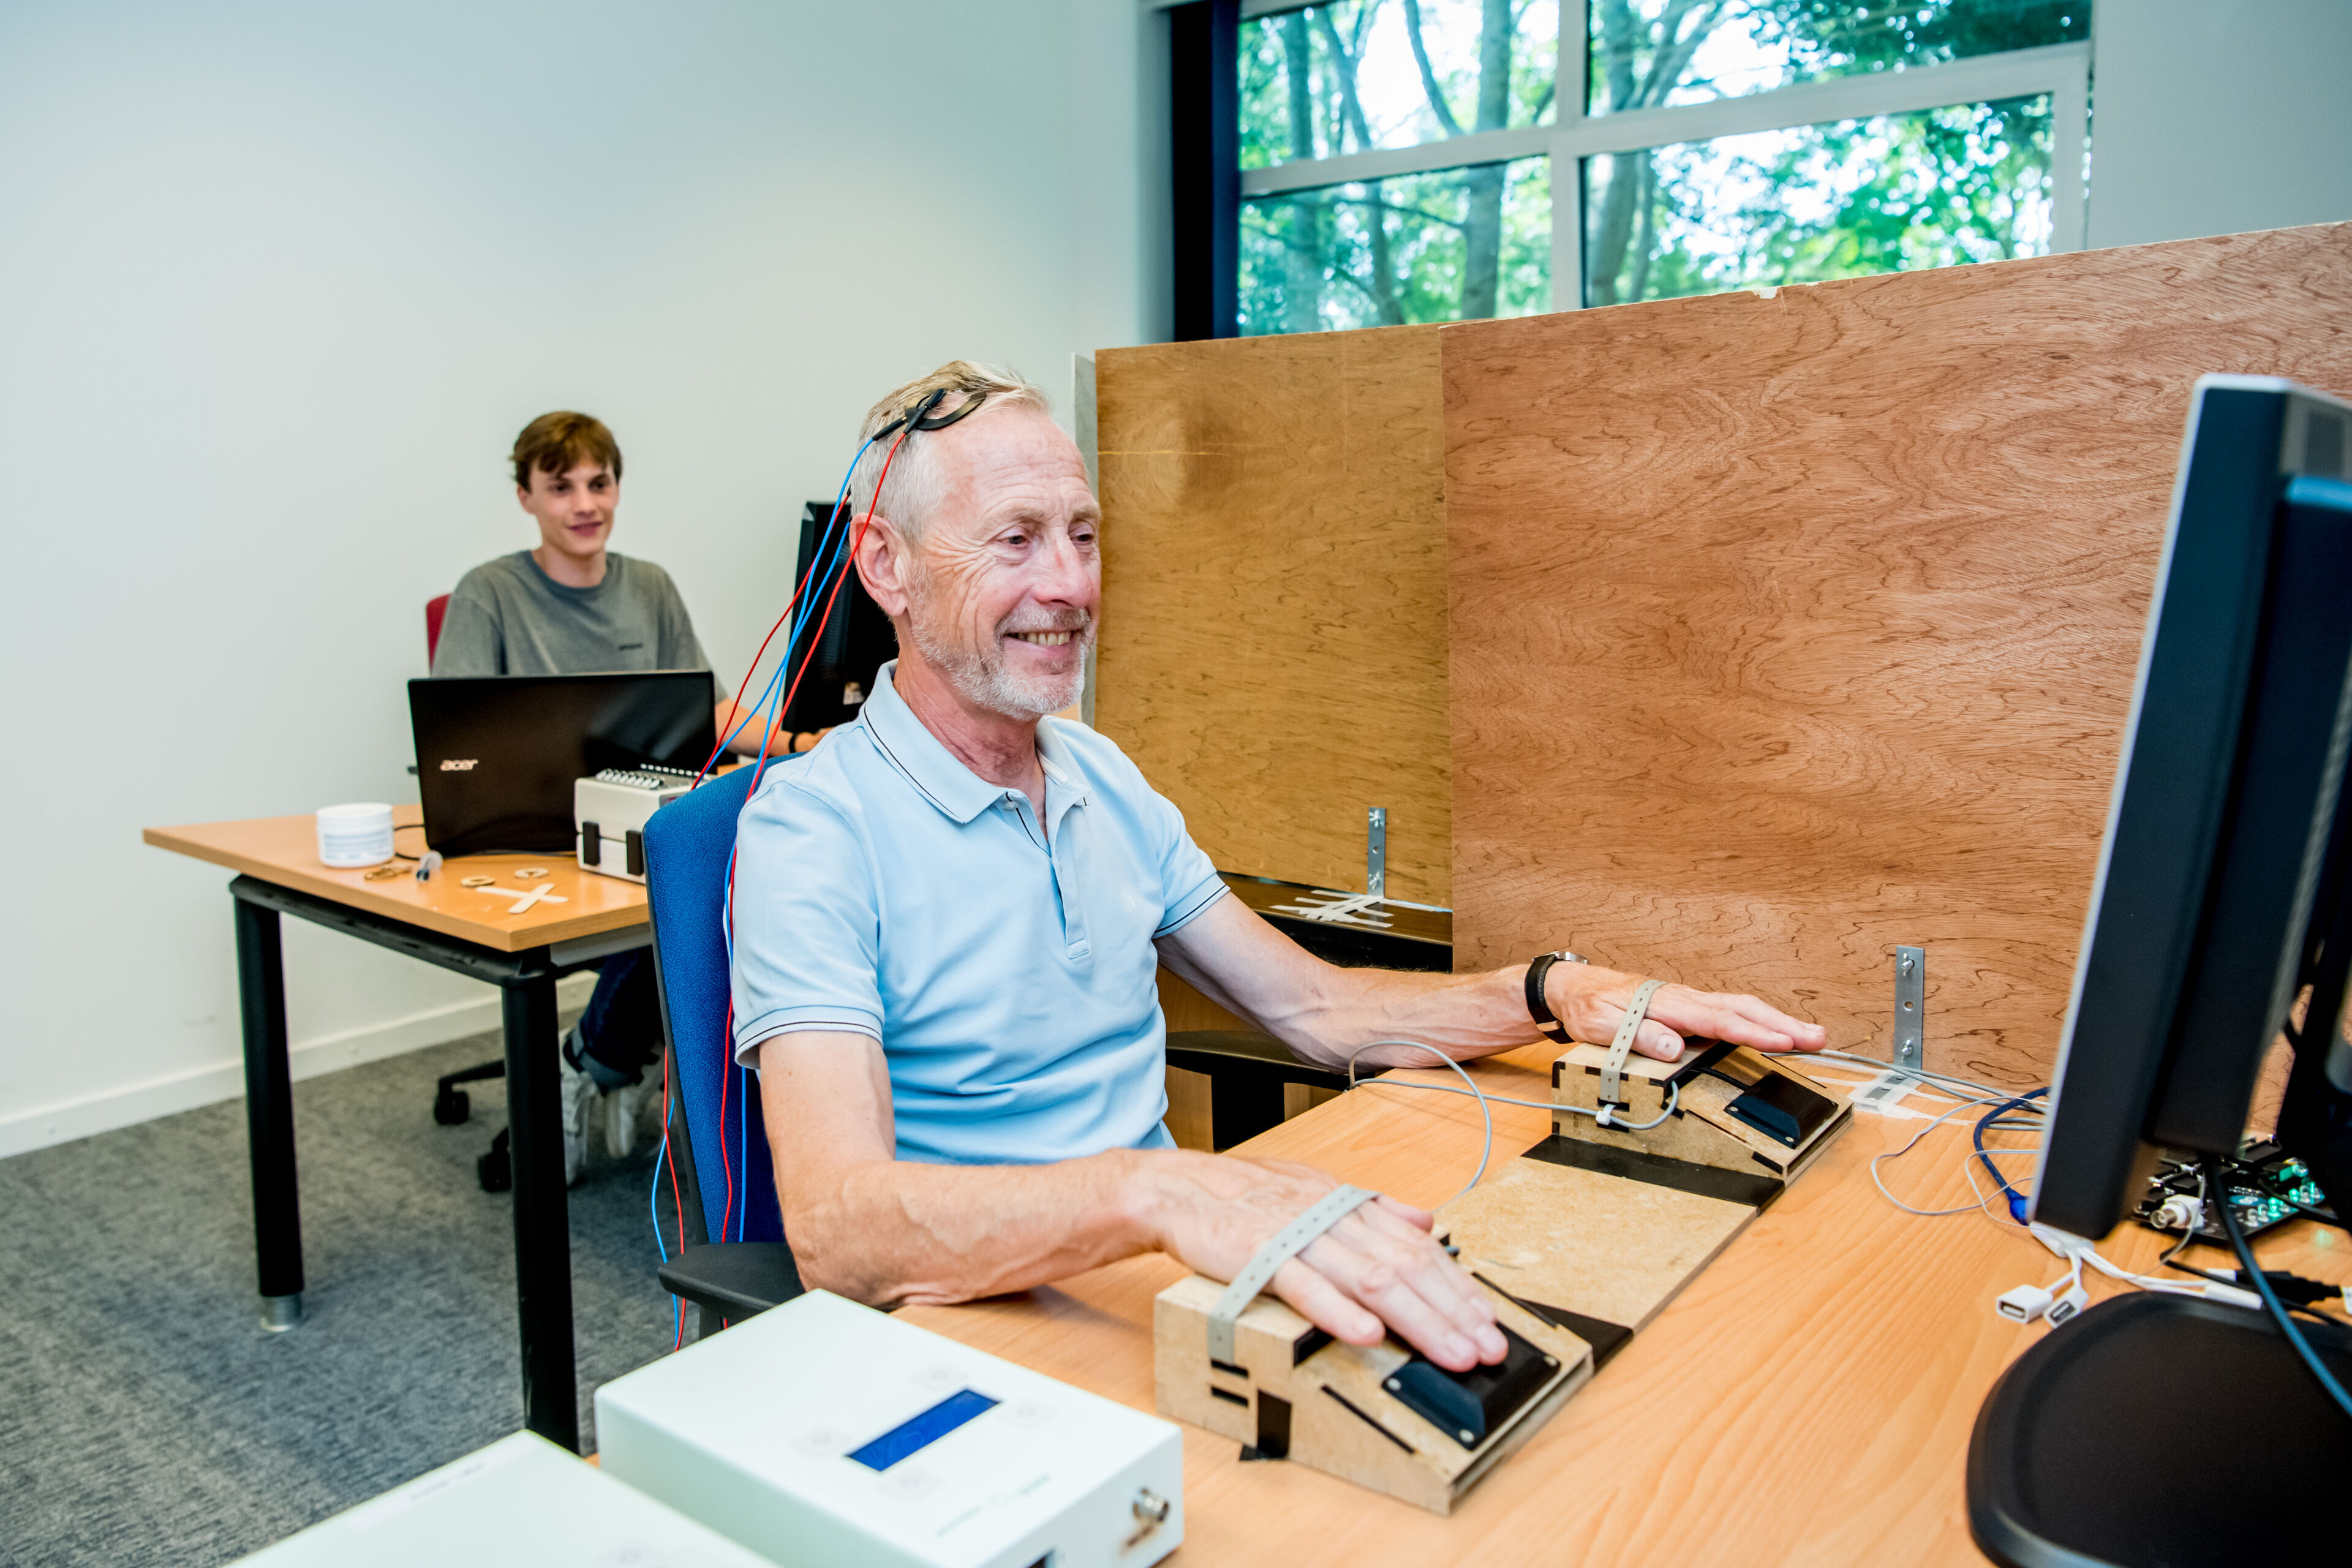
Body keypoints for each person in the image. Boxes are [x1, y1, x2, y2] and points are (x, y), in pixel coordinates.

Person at [729, 363, 1826, 1371]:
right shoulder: (813, 833)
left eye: (1083, 535)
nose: (1069, 585)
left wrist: (1550, 992)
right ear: (887, 566)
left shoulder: (1100, 774)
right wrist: (1158, 1189)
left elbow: (1316, 1009)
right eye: (1015, 540)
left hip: (1162, 1280)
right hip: (978, 1332)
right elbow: (835, 1229)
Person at [434, 410, 790, 1183]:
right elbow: (457, 741)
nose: (584, 504)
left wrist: (799, 743)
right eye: (561, 487)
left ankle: (591, 1057)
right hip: (532, 839)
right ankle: (607, 1058)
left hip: (634, 820)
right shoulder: (489, 593)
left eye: (598, 484)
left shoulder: (650, 586)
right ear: (526, 497)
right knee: (670, 901)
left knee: (717, 874)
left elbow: (711, 711)